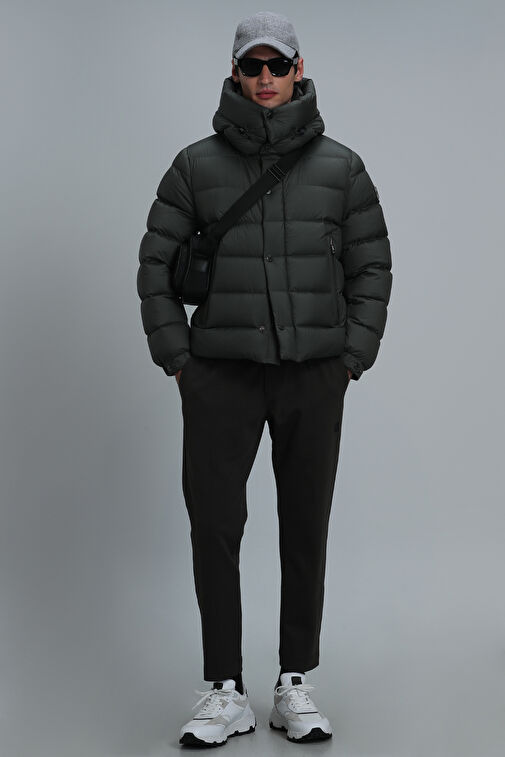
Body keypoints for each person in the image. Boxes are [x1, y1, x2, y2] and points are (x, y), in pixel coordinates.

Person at [137, 10, 392, 748]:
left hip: (314, 374)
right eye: (252, 66)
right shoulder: (194, 167)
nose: (266, 77)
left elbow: (372, 266)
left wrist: (350, 356)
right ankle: (224, 690)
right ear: (235, 73)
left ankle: (293, 683)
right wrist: (180, 361)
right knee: (215, 527)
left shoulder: (341, 168)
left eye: (277, 64)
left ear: (298, 69)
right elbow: (154, 268)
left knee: (305, 524)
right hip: (219, 375)